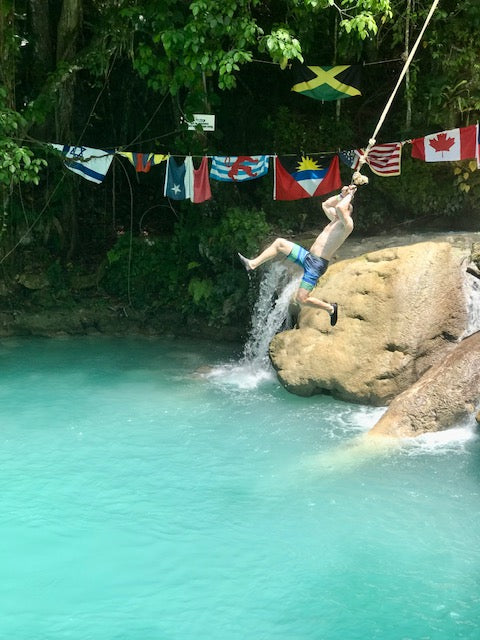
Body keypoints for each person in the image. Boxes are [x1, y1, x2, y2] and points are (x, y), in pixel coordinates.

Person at [238, 184, 356, 326]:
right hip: (307, 257)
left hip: (316, 266)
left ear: (347, 210)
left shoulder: (347, 225)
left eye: (341, 207)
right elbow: (325, 204)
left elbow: (339, 208)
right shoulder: (335, 220)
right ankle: (253, 264)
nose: (335, 209)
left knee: (301, 299)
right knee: (279, 243)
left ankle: (331, 308)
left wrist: (350, 195)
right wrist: (341, 196)